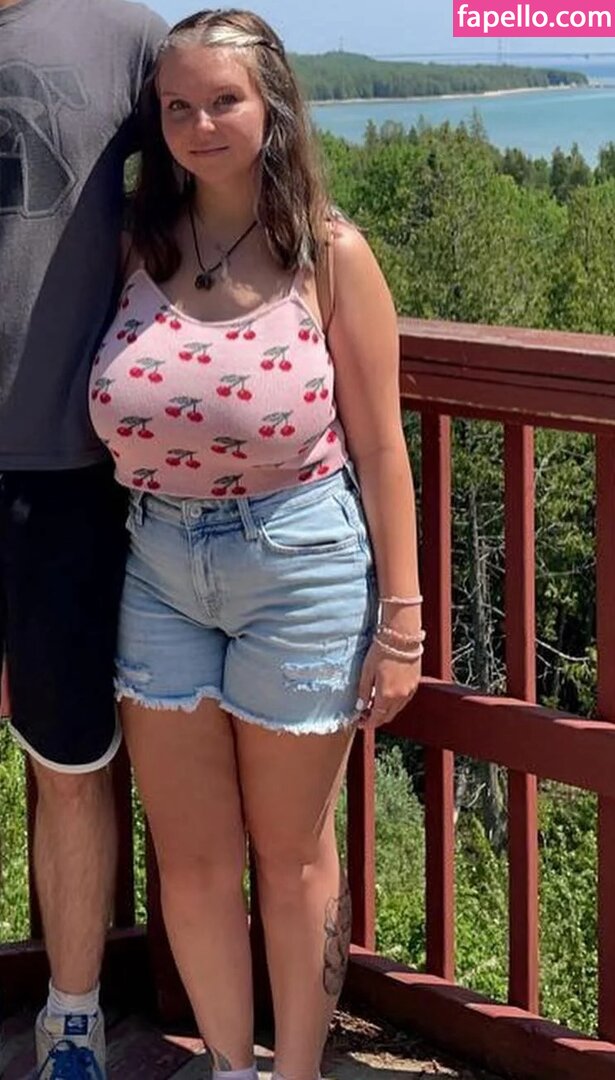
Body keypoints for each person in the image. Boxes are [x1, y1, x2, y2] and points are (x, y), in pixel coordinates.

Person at [89, 9, 422, 1080]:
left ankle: (298, 1070)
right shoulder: (136, 247)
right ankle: (232, 1066)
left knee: (291, 859)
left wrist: (403, 623)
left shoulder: (330, 253)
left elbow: (381, 446)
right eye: (177, 106)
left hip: (299, 564)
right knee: (191, 863)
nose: (199, 124)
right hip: (157, 568)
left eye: (223, 100)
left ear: (273, 105)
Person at [0, 0, 166, 1076]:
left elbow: (221, 179)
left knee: (70, 761)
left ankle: (71, 1021)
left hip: (59, 473)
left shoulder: (121, 34)